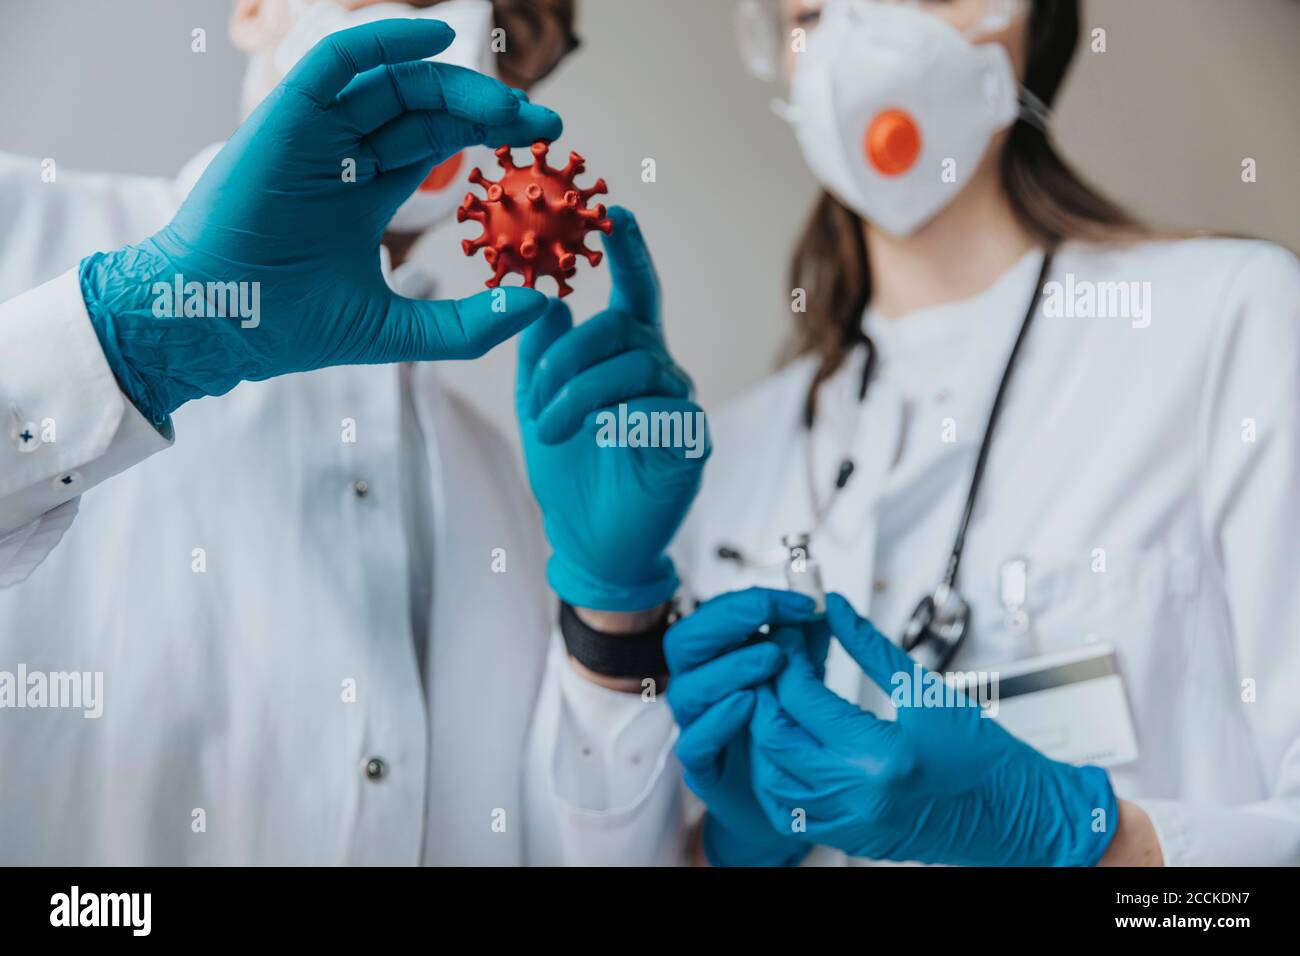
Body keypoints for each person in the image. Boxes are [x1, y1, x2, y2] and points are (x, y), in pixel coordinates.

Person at [520, 0, 1300, 866]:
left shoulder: (1231, 324)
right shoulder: (722, 459)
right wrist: (612, 621)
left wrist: (1085, 839)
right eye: (813, 9)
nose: (860, 36)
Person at [0, 5, 689, 865]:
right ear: (254, 10)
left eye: (515, 21)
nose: (471, 39)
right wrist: (136, 336)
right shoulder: (16, 229)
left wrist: (610, 619)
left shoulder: (511, 488)